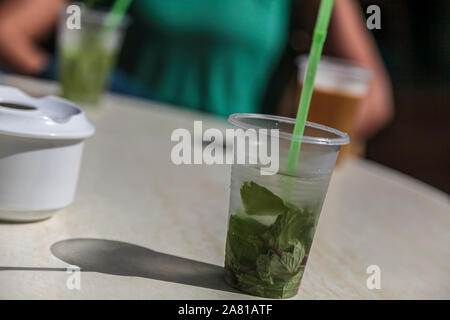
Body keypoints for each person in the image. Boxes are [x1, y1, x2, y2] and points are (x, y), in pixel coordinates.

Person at [0, 0, 392, 141]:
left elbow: (375, 103)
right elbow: (7, 30)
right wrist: (61, 71)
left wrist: (293, 144)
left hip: (226, 165)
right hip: (118, 145)